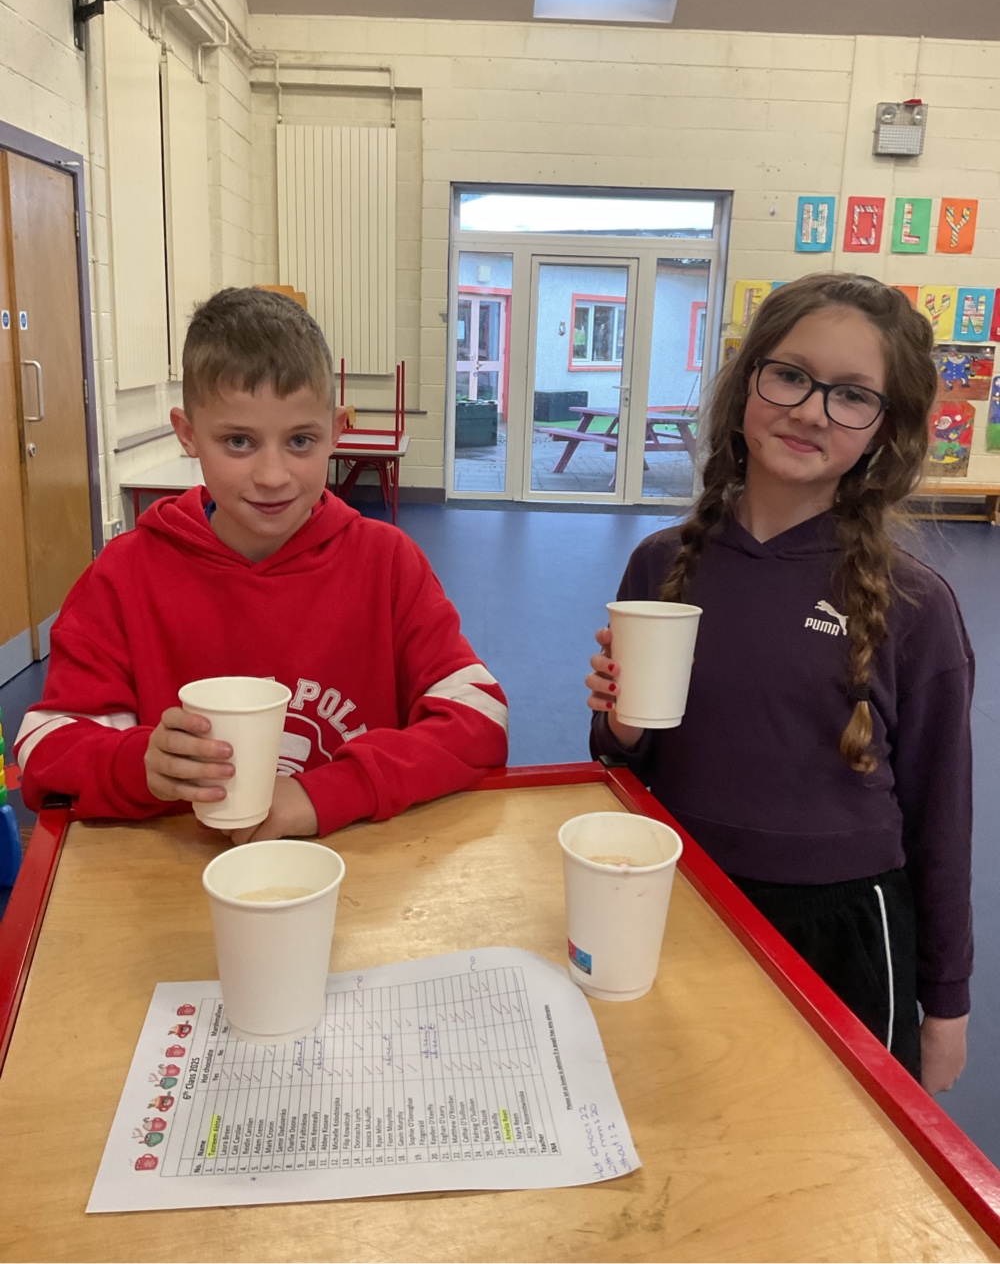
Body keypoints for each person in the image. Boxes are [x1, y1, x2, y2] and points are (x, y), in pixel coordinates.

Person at [586, 273, 973, 1096]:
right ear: (746, 384)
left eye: (852, 395)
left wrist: (946, 1005)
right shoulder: (661, 565)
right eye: (791, 375)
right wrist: (618, 726)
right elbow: (620, 764)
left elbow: (943, 819)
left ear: (884, 429)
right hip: (684, 897)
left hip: (843, 930)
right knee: (679, 1111)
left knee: (833, 1144)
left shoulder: (915, 604)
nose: (811, 411)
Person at [16, 288, 508, 842]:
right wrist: (140, 765)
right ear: (188, 435)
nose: (273, 476)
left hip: (355, 872)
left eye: (300, 440)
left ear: (336, 431)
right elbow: (45, 744)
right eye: (238, 441)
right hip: (184, 873)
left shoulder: (387, 563)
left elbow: (479, 716)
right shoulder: (125, 575)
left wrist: (327, 794)